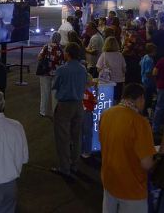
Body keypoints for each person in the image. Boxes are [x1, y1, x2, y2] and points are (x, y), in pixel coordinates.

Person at [99, 83, 156, 213]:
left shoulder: (106, 114)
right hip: (132, 187)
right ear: (140, 98)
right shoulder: (140, 123)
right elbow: (146, 164)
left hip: (109, 179)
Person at [51, 42, 90, 178]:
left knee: (63, 137)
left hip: (65, 105)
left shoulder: (62, 69)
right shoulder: (83, 69)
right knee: (77, 136)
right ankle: (75, 165)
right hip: (79, 105)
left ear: (67, 54)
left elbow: (54, 85)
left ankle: (64, 167)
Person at [36, 32, 63, 117]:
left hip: (45, 72)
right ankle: (54, 111)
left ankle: (43, 111)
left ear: (52, 38)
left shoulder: (46, 47)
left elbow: (39, 57)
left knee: (44, 92)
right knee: (55, 93)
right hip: (56, 73)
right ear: (59, 39)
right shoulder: (60, 49)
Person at [96, 37, 126, 101]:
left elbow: (98, 69)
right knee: (117, 99)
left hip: (106, 81)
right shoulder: (120, 55)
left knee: (107, 100)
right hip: (119, 81)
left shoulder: (104, 55)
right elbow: (124, 69)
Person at [140, 43, 157, 116]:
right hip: (149, 82)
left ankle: (145, 111)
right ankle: (145, 112)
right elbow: (148, 73)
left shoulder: (145, 57)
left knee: (147, 96)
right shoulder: (150, 60)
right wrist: (155, 76)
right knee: (148, 98)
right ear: (152, 51)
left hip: (144, 80)